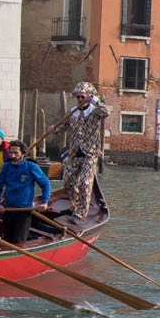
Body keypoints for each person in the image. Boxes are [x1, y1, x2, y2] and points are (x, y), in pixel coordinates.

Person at [53, 81, 109, 222]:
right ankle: (75, 205)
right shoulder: (72, 112)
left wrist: (95, 100)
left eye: (82, 97)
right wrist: (53, 129)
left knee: (85, 183)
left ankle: (81, 212)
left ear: (88, 97)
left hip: (90, 154)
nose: (79, 100)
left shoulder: (95, 111)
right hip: (74, 153)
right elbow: (63, 127)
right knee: (69, 182)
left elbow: (106, 112)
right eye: (77, 97)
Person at [0, 140, 52, 245]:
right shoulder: (6, 167)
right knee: (7, 241)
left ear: (23, 153)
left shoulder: (31, 167)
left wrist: (44, 202)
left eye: (16, 153)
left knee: (18, 242)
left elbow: (45, 184)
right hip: (8, 209)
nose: (12, 155)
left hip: (24, 211)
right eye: (11, 152)